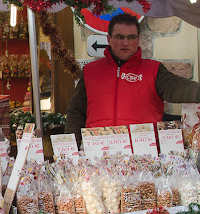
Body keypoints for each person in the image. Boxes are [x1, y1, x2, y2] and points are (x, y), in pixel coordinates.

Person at [66, 13, 200, 142]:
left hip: (143, 154)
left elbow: (177, 87)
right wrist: (71, 148)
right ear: (109, 39)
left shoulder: (153, 70)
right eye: (119, 37)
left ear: (138, 39)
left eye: (131, 37)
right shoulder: (91, 71)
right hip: (99, 154)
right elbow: (76, 112)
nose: (125, 43)